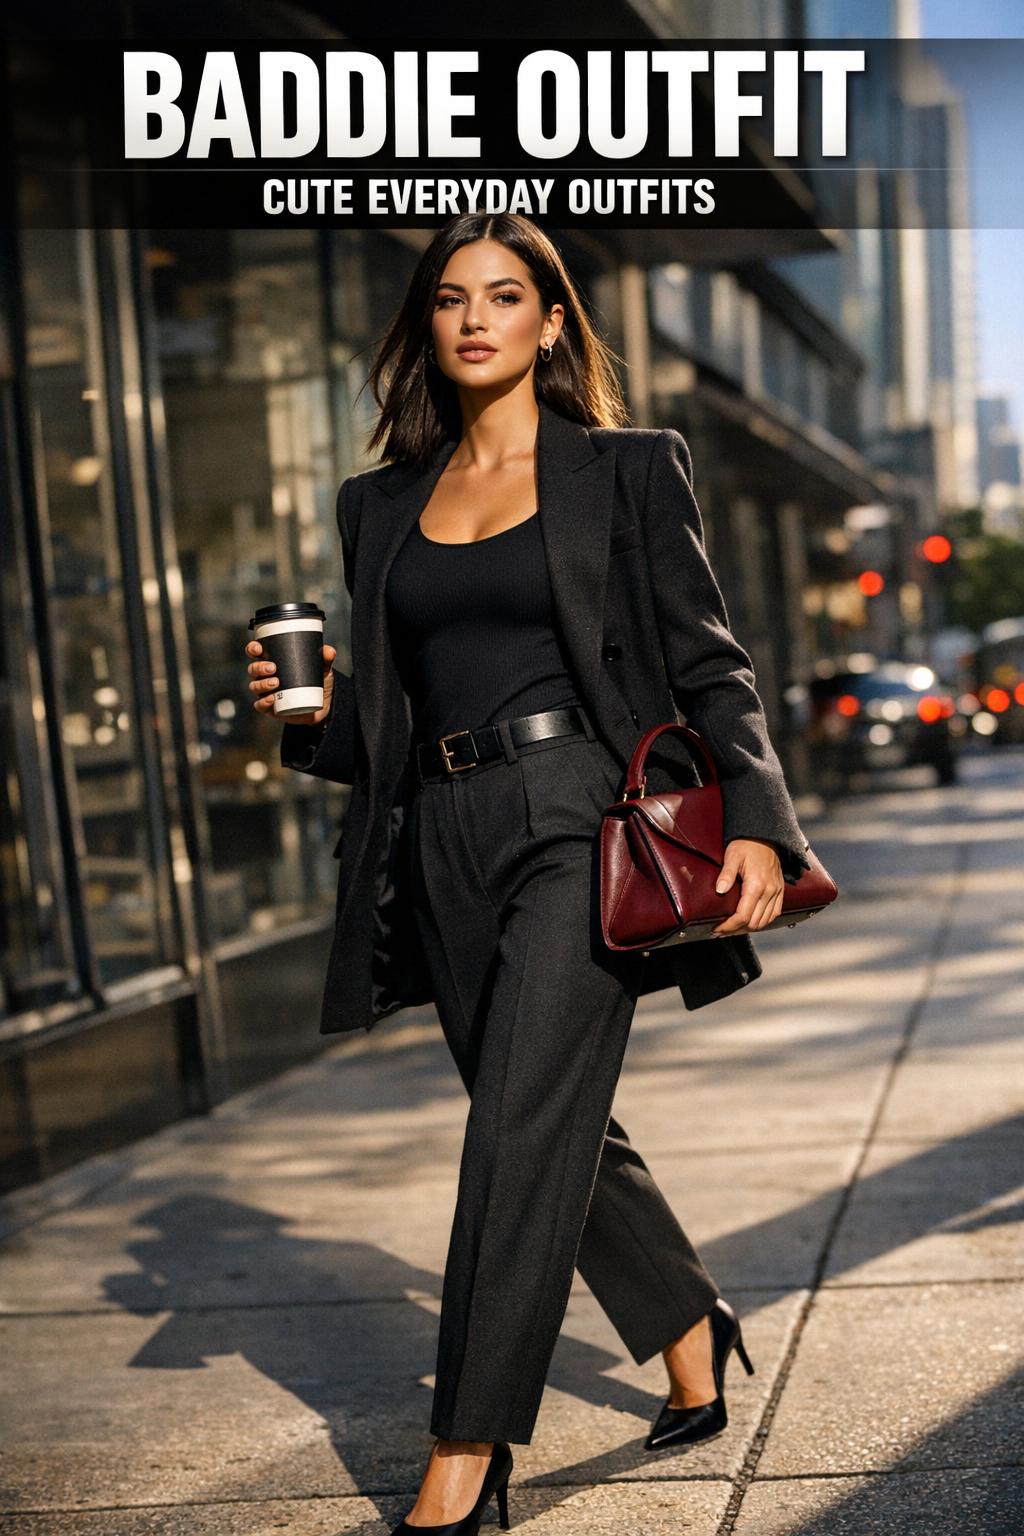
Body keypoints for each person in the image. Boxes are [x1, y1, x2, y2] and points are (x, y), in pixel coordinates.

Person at [244, 214, 810, 1535]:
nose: (477, 317)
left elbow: (709, 660)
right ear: (427, 327)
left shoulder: (624, 470)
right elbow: (381, 729)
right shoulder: (379, 502)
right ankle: (689, 1325)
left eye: (506, 295)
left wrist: (758, 820)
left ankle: (468, 1445)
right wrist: (295, 721)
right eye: (451, 298)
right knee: (549, 1111)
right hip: (439, 836)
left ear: (551, 320)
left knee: (513, 1126)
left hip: (581, 817)